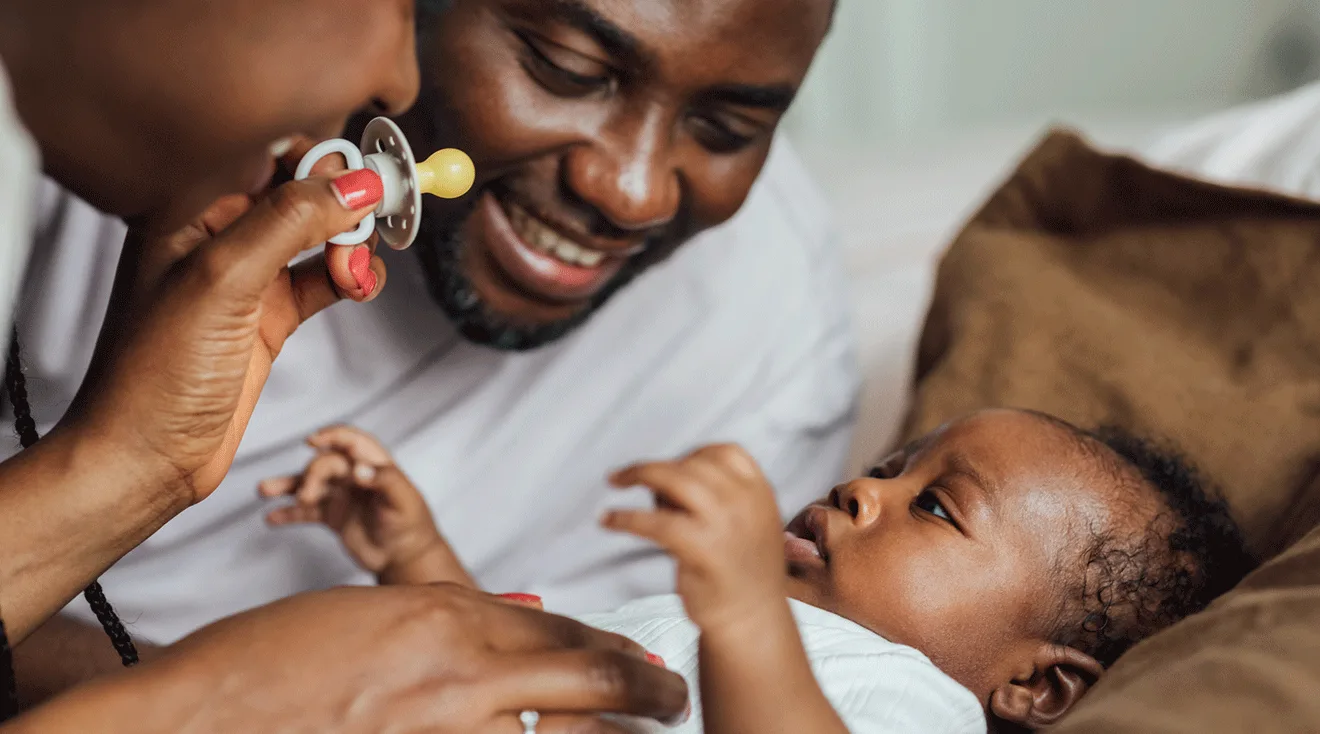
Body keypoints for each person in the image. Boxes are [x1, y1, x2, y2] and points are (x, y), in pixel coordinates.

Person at [9, 0, 855, 693]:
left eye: (727, 129)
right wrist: (210, 701)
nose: (631, 193)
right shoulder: (125, 96)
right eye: (564, 69)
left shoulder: (774, 327)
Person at [265, 409, 1257, 732]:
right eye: (886, 468)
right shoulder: (700, 623)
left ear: (1035, 684)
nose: (861, 492)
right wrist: (416, 554)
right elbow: (508, 670)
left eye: (937, 506)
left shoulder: (907, 700)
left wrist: (745, 615)